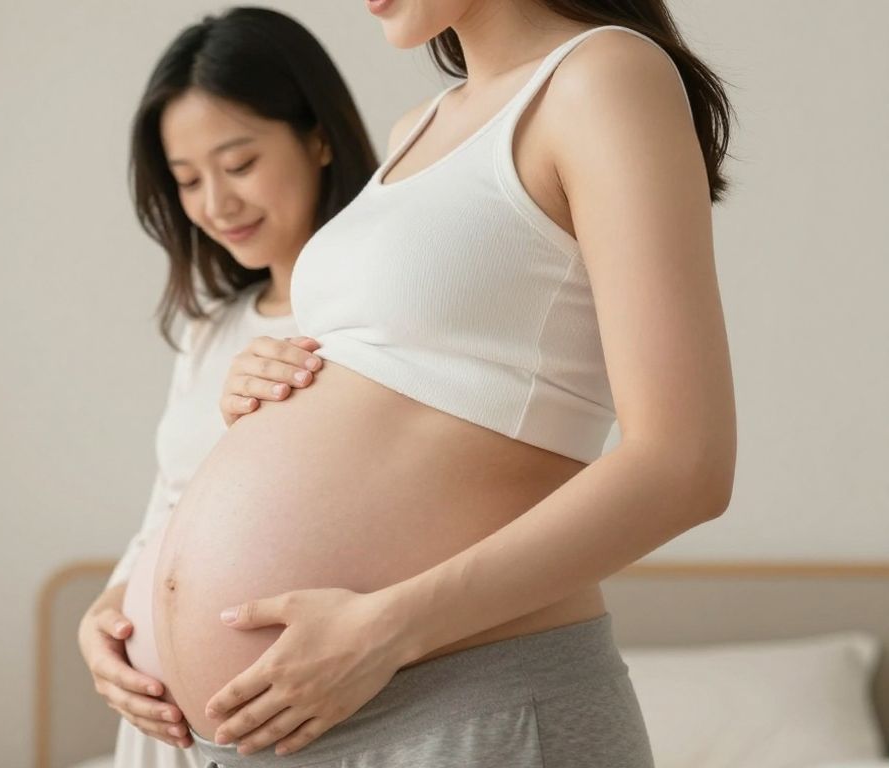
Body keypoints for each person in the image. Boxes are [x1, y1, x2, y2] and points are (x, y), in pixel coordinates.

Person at [130, 0, 739, 766]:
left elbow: (684, 465)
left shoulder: (600, 77)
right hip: (293, 730)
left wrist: (389, 627)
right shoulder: (417, 128)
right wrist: (266, 385)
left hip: (465, 705)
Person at [75, 8, 379, 767]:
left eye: (239, 164)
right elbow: (167, 506)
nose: (215, 204)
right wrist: (106, 615)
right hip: (163, 731)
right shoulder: (212, 328)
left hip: (292, 720)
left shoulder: (377, 309)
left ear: (317, 136)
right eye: (187, 181)